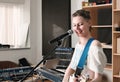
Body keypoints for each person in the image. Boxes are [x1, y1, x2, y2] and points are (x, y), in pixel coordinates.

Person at [62, 9, 107, 82]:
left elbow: (98, 78)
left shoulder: (94, 45)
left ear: (89, 23)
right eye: (74, 25)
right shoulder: (78, 45)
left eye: (80, 24)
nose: (76, 28)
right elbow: (71, 67)